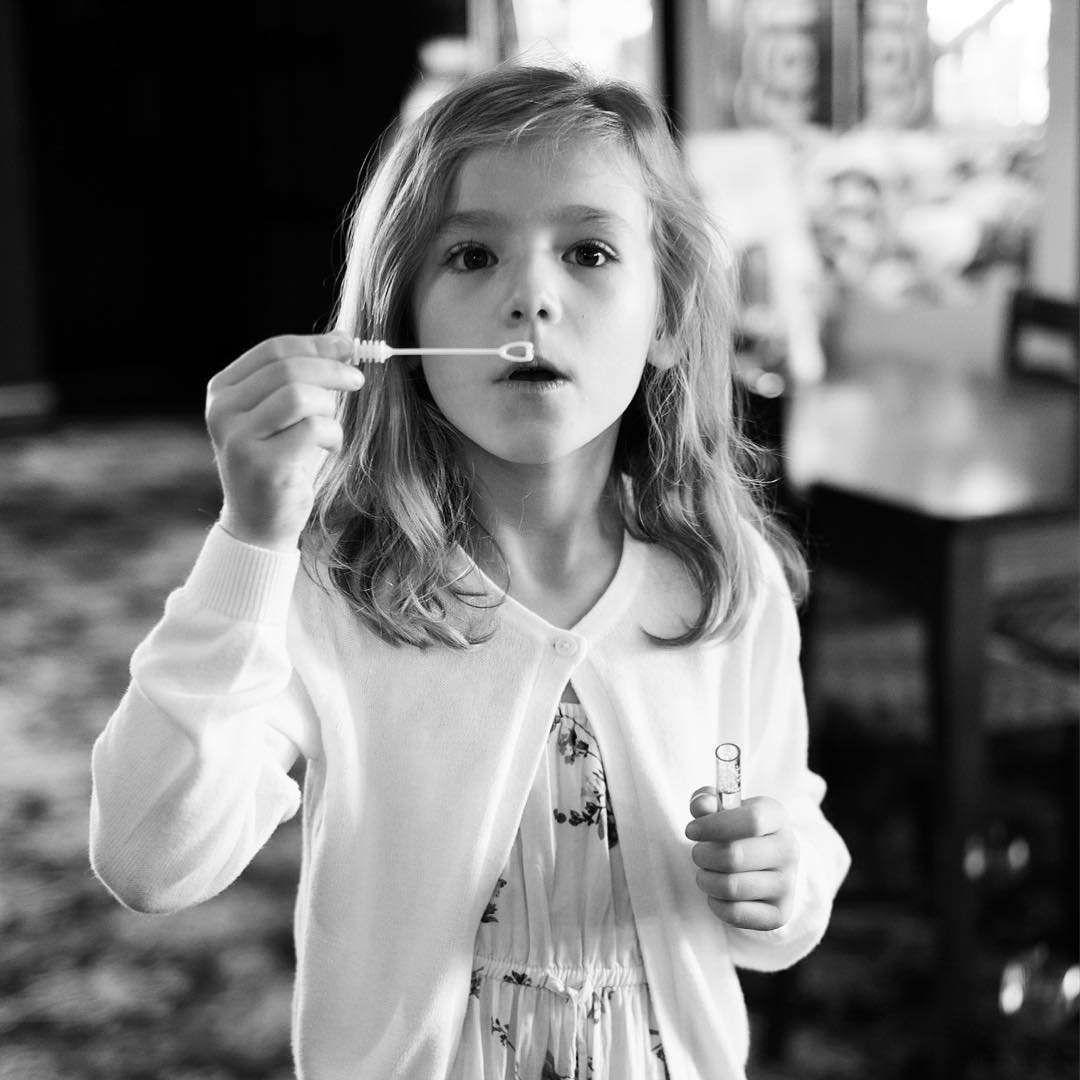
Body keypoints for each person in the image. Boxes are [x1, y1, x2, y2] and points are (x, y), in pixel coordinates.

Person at [89, 61, 850, 1080]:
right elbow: (148, 859)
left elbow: (789, 829)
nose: (530, 297)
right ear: (398, 327)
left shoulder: (724, 581)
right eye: (472, 255)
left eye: (588, 252)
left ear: (667, 318)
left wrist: (782, 882)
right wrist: (250, 540)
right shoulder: (337, 587)